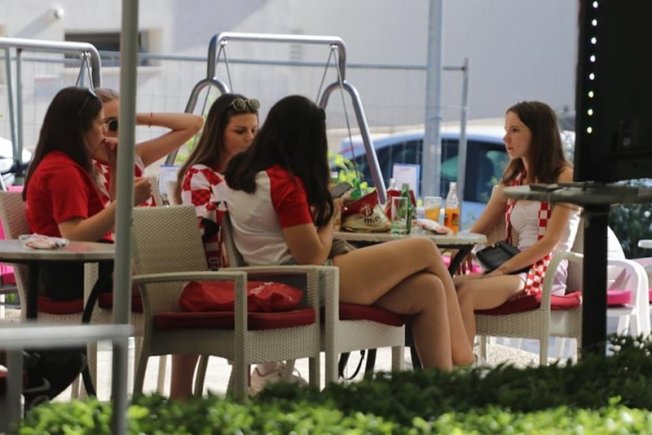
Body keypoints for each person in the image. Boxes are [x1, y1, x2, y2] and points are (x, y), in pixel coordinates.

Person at [224, 95, 474, 373]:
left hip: (277, 280)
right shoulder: (284, 183)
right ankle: (467, 362)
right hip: (305, 284)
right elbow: (312, 256)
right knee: (424, 248)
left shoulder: (244, 175)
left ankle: (442, 387)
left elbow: (275, 234)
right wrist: (329, 217)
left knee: (429, 289)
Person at [454, 100, 580, 347]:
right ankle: (454, 360)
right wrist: (454, 248)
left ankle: (463, 363)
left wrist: (503, 269)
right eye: (506, 130)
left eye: (514, 130)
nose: (505, 138)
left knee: (466, 293)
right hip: (513, 267)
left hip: (543, 271)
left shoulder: (564, 177)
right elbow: (477, 232)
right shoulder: (513, 181)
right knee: (444, 288)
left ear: (538, 134)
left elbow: (551, 242)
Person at [170, 93, 261, 400]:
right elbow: (200, 225)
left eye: (254, 130)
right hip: (208, 271)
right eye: (240, 131)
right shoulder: (199, 174)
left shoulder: (255, 175)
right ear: (218, 133)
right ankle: (257, 379)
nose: (250, 138)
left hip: (246, 266)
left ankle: (262, 375)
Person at [22, 86, 152, 300]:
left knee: (162, 265)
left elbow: (107, 222)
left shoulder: (66, 165)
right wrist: (127, 200)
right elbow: (74, 235)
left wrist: (116, 166)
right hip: (72, 275)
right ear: (80, 127)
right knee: (164, 276)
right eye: (100, 123)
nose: (105, 131)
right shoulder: (62, 171)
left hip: (82, 266)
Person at [92, 88, 203, 206]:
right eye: (112, 124)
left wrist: (134, 117)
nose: (121, 129)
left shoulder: (132, 156)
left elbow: (195, 123)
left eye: (125, 122)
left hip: (151, 218)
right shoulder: (86, 166)